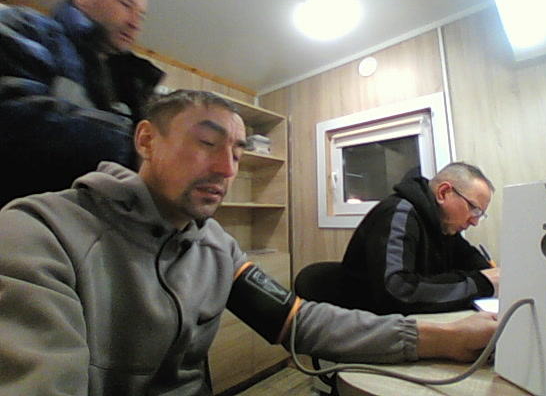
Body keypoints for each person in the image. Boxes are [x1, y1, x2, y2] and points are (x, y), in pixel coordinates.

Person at [0, 90, 497, 395]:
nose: (227, 169)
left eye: (237, 153)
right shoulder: (40, 231)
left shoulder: (215, 246)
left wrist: (442, 338)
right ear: (146, 140)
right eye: (207, 143)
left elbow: (297, 320)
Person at [0, 0, 164, 207]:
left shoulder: (130, 81)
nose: (135, 23)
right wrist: (132, 145)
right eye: (125, 4)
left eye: (141, 15)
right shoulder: (25, 27)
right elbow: (11, 113)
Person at [341, 162, 500, 315]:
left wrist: (491, 274)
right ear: (443, 192)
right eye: (474, 209)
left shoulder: (444, 224)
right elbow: (398, 291)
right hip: (369, 324)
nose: (474, 221)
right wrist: (481, 282)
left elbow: (471, 261)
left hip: (407, 322)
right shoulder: (398, 214)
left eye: (480, 214)